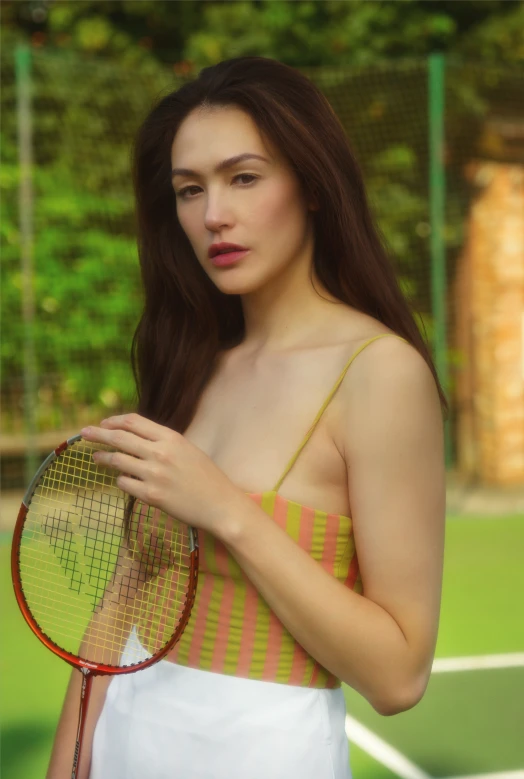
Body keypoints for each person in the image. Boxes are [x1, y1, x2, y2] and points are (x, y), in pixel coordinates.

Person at [47, 55, 447, 779]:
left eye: (244, 177)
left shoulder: (380, 374)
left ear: (313, 185)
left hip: (257, 752)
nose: (213, 215)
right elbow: (122, 599)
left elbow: (399, 675)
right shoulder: (195, 358)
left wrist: (227, 510)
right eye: (188, 189)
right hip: (123, 742)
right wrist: (70, 760)